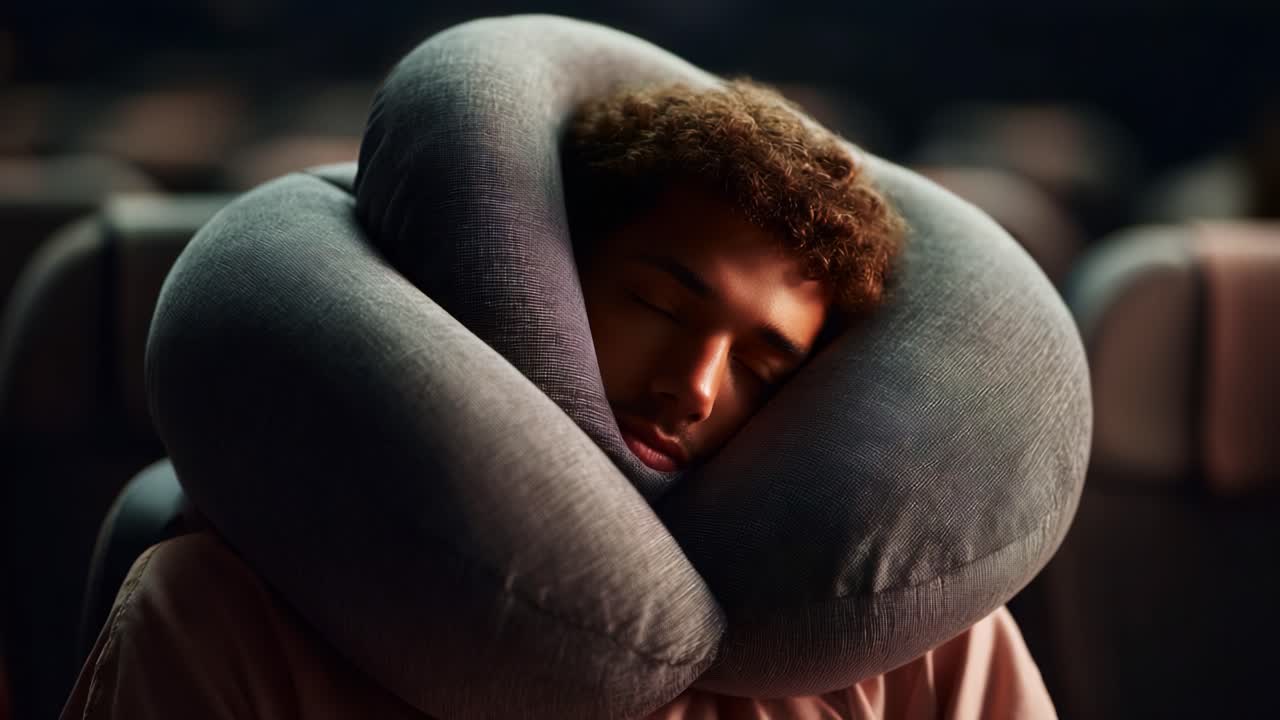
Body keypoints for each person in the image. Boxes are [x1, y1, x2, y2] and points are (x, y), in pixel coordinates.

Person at [61, 81, 1056, 719]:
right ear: (537, 282)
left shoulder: (907, 640)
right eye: (656, 303)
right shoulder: (221, 618)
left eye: (762, 364)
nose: (694, 386)